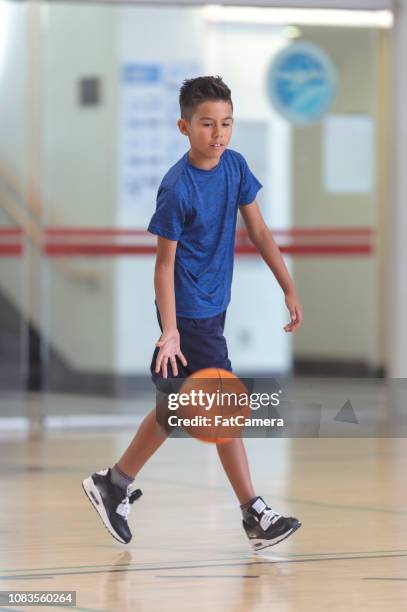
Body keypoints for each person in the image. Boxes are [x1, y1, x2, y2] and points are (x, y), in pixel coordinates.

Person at [83, 76, 303, 551]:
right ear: (184, 126)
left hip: (213, 310)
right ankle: (253, 513)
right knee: (224, 410)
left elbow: (260, 231)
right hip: (189, 319)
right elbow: (163, 265)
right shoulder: (176, 187)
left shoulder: (236, 167)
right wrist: (171, 331)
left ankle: (114, 482)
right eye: (207, 124)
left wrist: (288, 286)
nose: (218, 134)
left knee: (176, 409)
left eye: (226, 123)